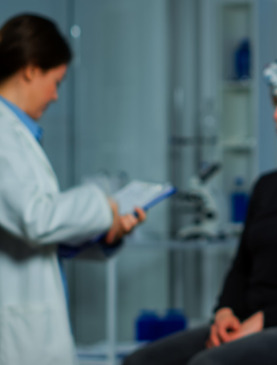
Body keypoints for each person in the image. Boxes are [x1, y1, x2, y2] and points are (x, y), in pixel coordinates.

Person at [123, 46, 277, 365]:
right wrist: (225, 311)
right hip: (251, 323)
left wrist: (264, 319)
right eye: (276, 103)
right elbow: (242, 267)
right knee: (141, 362)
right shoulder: (267, 186)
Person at [0, 13, 146, 365]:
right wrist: (103, 203)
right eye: (56, 82)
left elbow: (33, 230)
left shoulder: (18, 135)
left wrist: (106, 232)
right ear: (32, 69)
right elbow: (37, 218)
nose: (54, 96)